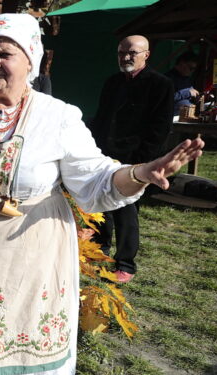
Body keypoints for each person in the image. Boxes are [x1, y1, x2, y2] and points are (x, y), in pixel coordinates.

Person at [0, 15, 203, 375]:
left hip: (32, 255)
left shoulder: (58, 117)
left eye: (5, 54)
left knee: (27, 359)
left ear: (30, 59)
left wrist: (140, 173)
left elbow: (97, 180)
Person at [89, 35, 174, 283]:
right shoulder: (113, 82)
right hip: (106, 154)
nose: (126, 57)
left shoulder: (160, 84)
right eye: (121, 53)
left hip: (136, 157)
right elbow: (102, 117)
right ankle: (99, 250)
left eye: (132, 53)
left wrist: (143, 161)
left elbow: (160, 127)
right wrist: (95, 149)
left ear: (146, 55)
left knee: (126, 210)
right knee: (102, 202)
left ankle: (125, 263)